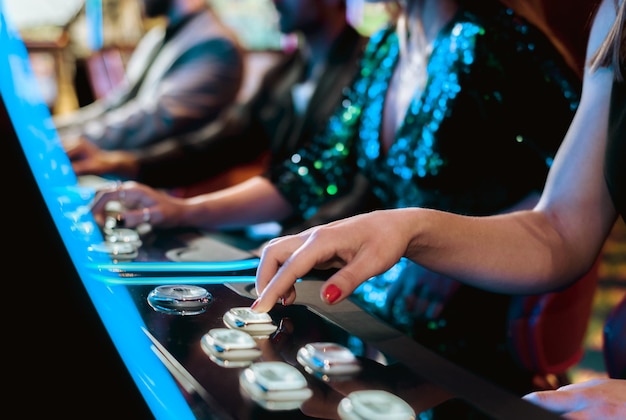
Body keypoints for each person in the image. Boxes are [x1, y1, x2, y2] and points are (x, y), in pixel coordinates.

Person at [89, 0, 583, 398]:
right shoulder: (388, 45)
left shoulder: (493, 37)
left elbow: (574, 185)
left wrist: (448, 243)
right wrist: (183, 210)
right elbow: (316, 170)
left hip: (462, 319)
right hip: (370, 305)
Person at [243, 0, 626, 418]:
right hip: (386, 311)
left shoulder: (489, 36)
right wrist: (411, 230)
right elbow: (561, 226)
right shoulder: (614, 18)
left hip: (465, 319)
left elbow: (544, 176)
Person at [63, 0, 368, 196]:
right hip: (284, 236)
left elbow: (362, 191)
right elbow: (219, 144)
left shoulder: (367, 67)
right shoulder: (285, 72)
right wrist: (124, 163)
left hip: (334, 250)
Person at [56, 0, 244, 151]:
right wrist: (51, 130)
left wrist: (64, 142)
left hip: (164, 181)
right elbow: (116, 104)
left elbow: (154, 118)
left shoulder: (215, 44)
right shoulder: (158, 35)